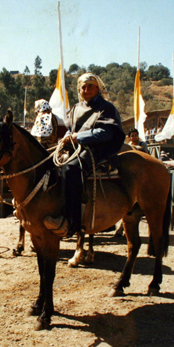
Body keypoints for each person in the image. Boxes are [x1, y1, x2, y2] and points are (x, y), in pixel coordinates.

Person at [47, 72, 126, 237]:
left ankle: (73, 222)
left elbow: (107, 132)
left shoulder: (107, 108)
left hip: (97, 148)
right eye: (83, 87)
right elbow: (70, 128)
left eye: (91, 86)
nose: (86, 89)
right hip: (76, 147)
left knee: (71, 169)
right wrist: (68, 137)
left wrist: (78, 137)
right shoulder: (76, 107)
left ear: (98, 88)